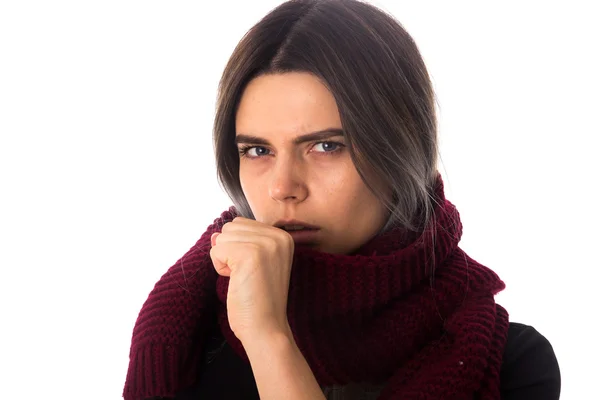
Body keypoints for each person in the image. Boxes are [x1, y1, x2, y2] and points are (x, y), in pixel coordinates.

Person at [123, 0, 561, 399]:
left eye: (326, 146)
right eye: (257, 150)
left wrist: (269, 339)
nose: (282, 187)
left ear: (401, 148)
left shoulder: (509, 365)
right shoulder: (187, 333)